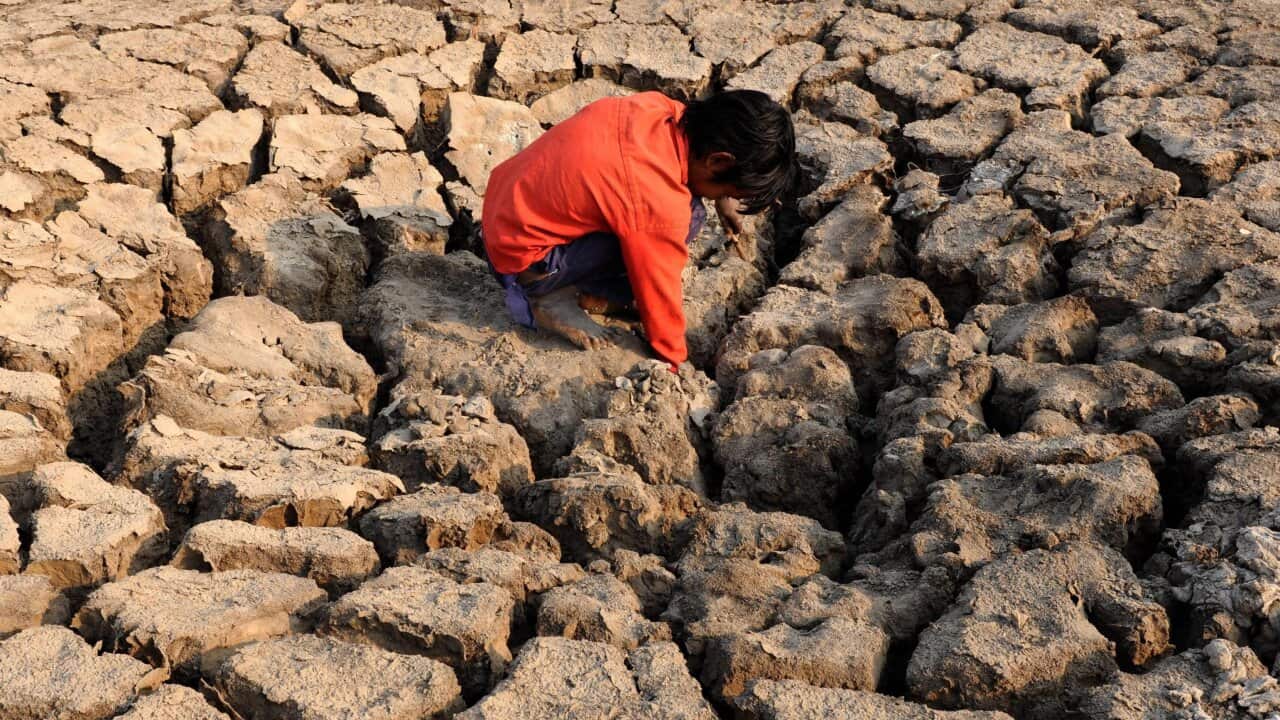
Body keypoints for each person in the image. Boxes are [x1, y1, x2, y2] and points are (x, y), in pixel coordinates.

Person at [480, 89, 797, 370]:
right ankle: (549, 296)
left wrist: (722, 196)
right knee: (685, 218)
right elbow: (658, 286)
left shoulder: (658, 109)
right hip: (526, 260)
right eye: (731, 189)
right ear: (718, 162)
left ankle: (586, 291)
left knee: (682, 210)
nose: (724, 197)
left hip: (502, 214)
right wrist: (673, 361)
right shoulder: (657, 199)